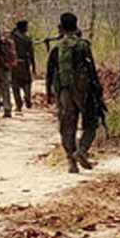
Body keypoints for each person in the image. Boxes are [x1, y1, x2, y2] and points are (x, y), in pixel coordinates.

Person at [46, 12, 100, 173]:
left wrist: (49, 92)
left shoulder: (56, 47)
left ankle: (71, 162)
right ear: (76, 27)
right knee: (91, 123)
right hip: (83, 91)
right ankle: (82, 150)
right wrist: (97, 89)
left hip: (64, 91)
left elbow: (50, 72)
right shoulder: (83, 46)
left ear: (61, 27)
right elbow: (91, 70)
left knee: (67, 126)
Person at [10, 20, 37, 110]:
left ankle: (18, 104)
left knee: (15, 84)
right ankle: (27, 96)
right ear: (23, 28)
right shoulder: (27, 39)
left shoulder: (11, 37)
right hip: (24, 62)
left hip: (13, 63)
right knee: (27, 82)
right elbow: (31, 53)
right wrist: (34, 66)